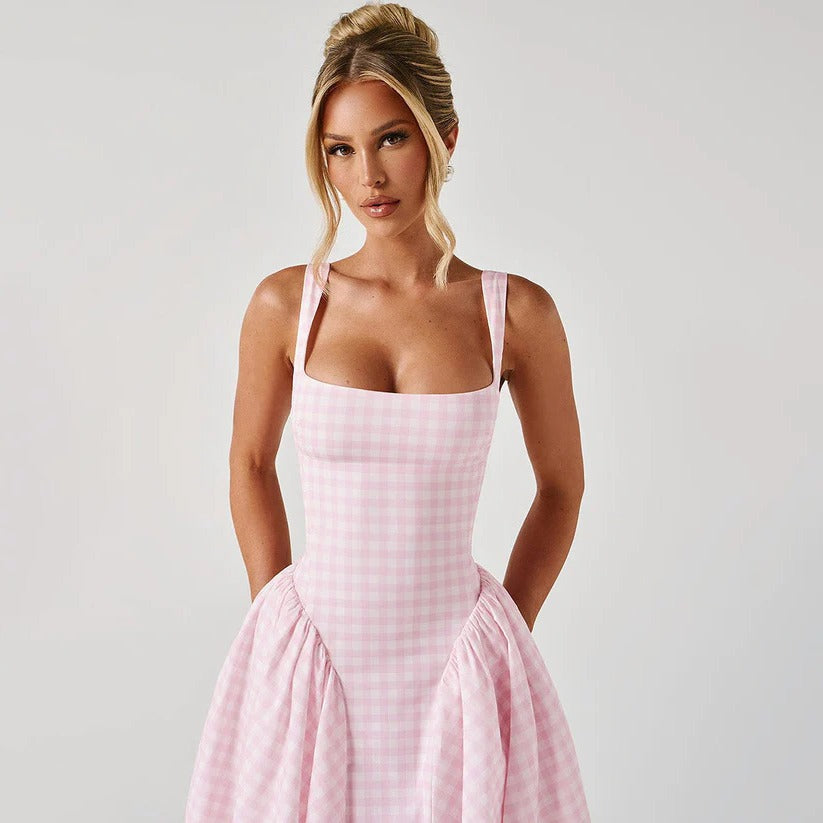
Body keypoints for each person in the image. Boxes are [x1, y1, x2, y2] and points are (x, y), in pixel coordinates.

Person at [185, 3, 590, 821]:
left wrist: (505, 631)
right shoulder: (286, 304)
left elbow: (560, 488)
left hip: (456, 661)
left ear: (445, 136)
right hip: (314, 654)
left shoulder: (515, 313)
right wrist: (274, 618)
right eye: (340, 149)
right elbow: (250, 463)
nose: (367, 175)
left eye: (391, 139)